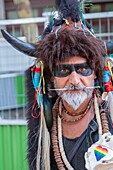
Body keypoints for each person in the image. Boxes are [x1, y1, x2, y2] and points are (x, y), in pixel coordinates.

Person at [1, 0, 113, 170]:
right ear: (52, 76)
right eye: (63, 70)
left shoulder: (110, 111)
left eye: (83, 69)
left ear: (96, 73)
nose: (75, 81)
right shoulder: (46, 123)